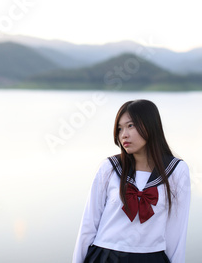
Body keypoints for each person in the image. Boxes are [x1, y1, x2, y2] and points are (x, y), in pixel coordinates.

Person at [72, 99, 191, 263]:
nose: (123, 135)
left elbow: (176, 232)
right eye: (119, 129)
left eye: (130, 126)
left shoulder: (176, 171)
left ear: (150, 126)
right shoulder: (109, 168)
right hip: (104, 256)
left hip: (151, 257)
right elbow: (88, 224)